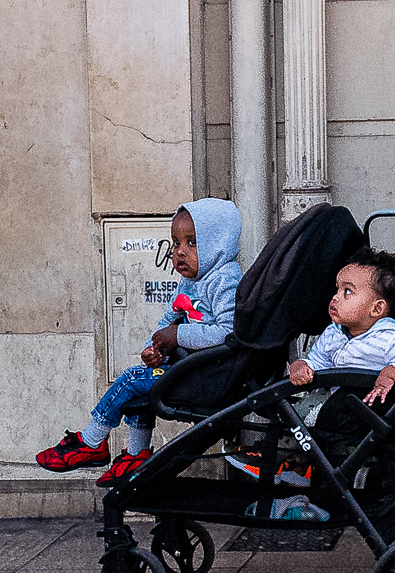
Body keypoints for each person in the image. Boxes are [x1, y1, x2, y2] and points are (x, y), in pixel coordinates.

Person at [37, 198, 243, 485]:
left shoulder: (224, 280)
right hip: (185, 366)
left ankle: (92, 441)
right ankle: (136, 453)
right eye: (175, 243)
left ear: (217, 243)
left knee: (132, 379)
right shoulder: (191, 280)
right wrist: (154, 347)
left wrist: (176, 336)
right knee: (142, 379)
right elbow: (167, 321)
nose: (180, 252)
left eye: (192, 243)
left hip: (206, 376)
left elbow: (227, 333)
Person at [287, 248, 395, 406]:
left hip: (372, 410)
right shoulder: (333, 333)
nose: (335, 297)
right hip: (340, 408)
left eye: (347, 291)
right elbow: (321, 363)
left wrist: (392, 373)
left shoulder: (388, 338)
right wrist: (303, 366)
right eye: (338, 289)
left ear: (376, 309)